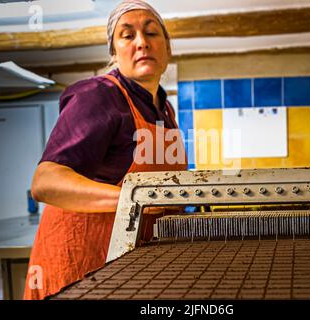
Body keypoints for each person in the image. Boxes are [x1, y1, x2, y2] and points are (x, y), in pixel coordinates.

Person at [24, 0, 187, 300]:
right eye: (127, 35)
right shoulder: (99, 96)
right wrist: (138, 200)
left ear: (168, 48)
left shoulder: (166, 110)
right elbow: (45, 182)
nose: (141, 42)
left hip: (131, 271)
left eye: (152, 33)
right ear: (114, 53)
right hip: (81, 275)